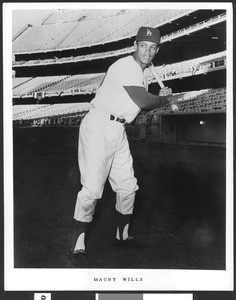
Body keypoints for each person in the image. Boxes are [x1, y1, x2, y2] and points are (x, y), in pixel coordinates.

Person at [68, 26, 178, 267]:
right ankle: (78, 246)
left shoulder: (144, 72)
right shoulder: (125, 66)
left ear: (156, 50)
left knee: (128, 186)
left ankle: (123, 235)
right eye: (143, 46)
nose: (148, 52)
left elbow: (138, 105)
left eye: (153, 48)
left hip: (118, 128)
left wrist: (159, 97)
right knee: (93, 189)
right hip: (99, 126)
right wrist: (165, 99)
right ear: (135, 46)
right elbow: (144, 101)